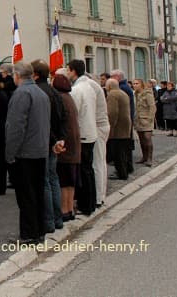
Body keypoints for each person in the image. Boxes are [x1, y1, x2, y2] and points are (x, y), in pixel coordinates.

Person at [5, 62, 50, 245]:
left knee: (26, 196)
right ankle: (39, 231)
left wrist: (10, 153)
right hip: (39, 150)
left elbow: (15, 127)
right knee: (37, 194)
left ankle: (29, 233)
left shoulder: (22, 94)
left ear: (17, 75)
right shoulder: (41, 93)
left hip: (25, 153)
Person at [67, 59, 108, 215]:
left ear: (73, 71)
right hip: (90, 131)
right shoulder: (89, 86)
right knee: (89, 169)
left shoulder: (78, 89)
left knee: (86, 169)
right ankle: (93, 200)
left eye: (68, 70)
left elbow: (74, 113)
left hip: (85, 133)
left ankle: (88, 203)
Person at [31, 59, 66, 234]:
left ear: (35, 74)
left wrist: (54, 141)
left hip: (44, 142)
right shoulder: (54, 91)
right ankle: (57, 219)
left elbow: (45, 122)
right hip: (54, 141)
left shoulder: (37, 92)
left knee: (45, 181)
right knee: (53, 179)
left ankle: (49, 221)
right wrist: (60, 139)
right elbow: (62, 117)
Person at [52, 69, 80, 222]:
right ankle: (69, 209)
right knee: (70, 179)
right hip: (74, 143)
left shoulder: (60, 99)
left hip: (66, 143)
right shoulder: (68, 97)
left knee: (64, 178)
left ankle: (64, 209)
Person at [106, 79, 132, 180]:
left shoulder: (112, 95)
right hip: (125, 126)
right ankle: (124, 171)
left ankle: (121, 173)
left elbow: (112, 113)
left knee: (118, 152)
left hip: (118, 128)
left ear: (109, 86)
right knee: (123, 151)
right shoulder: (123, 93)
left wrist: (110, 127)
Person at [133, 79, 157, 166]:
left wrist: (150, 119)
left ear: (141, 84)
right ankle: (144, 157)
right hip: (138, 119)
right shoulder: (135, 94)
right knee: (141, 139)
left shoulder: (147, 94)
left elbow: (152, 107)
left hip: (146, 119)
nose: (135, 85)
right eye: (134, 84)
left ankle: (150, 158)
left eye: (136, 83)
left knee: (147, 138)